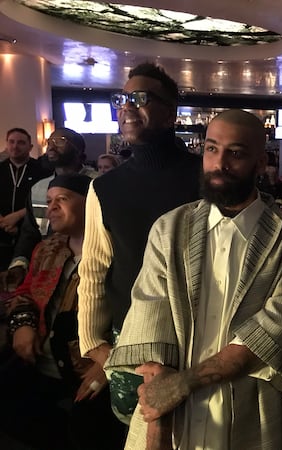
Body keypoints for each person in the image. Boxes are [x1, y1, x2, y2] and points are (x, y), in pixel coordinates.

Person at [104, 109, 282, 450]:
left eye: (236, 152)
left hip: (250, 409)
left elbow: (277, 328)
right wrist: (157, 431)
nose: (219, 163)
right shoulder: (169, 228)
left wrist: (184, 384)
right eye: (212, 149)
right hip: (175, 417)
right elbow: (151, 321)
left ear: (261, 163)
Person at [77, 62, 203, 423]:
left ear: (169, 114)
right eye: (122, 99)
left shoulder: (204, 178)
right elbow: (95, 268)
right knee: (133, 433)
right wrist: (95, 344)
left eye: (141, 98)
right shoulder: (104, 187)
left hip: (193, 337)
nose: (127, 106)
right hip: (128, 337)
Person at [0, 174, 126, 450]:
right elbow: (24, 294)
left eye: (62, 199)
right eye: (48, 201)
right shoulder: (47, 247)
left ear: (91, 204)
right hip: (39, 368)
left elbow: (133, 317)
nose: (51, 207)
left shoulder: (119, 253)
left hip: (87, 376)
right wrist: (23, 324)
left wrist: (110, 364)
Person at [0, 127, 97, 292]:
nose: (51, 146)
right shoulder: (39, 188)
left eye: (60, 141)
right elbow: (30, 234)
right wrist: (19, 264)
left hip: (90, 266)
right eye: (49, 142)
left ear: (78, 149)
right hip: (48, 271)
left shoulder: (99, 183)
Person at [0, 128, 50, 271]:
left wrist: (17, 216)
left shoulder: (41, 171)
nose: (15, 146)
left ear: (30, 147)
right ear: (6, 144)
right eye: (12, 142)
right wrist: (4, 222)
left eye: (21, 143)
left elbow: (44, 200)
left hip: (29, 233)